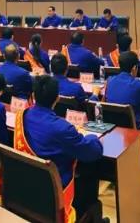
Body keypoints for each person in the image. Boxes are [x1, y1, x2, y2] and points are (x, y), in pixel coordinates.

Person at [16, 75, 103, 222]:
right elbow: (93, 151)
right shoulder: (62, 128)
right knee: (92, 168)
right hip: (56, 190)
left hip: (29, 183)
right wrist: (92, 137)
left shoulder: (23, 116)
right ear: (57, 98)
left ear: (33, 96)